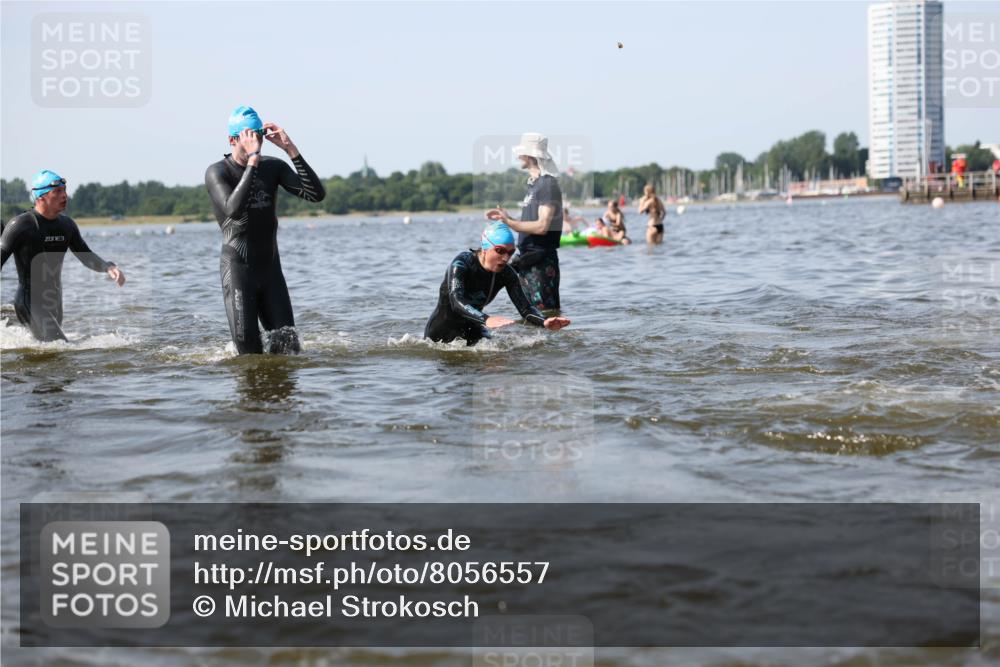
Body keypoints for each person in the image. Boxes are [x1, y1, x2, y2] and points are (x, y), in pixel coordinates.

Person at [205, 105, 326, 354]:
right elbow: (233, 209)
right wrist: (252, 161)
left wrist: (290, 150)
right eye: (248, 138)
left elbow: (316, 195)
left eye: (258, 137)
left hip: (271, 271)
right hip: (239, 273)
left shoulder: (273, 168)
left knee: (289, 351)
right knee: (249, 356)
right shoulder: (218, 172)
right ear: (232, 140)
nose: (255, 144)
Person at [0, 169, 125, 342]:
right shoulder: (20, 225)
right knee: (61, 346)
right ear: (40, 196)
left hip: (54, 302)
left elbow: (86, 255)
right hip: (29, 301)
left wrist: (108, 266)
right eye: (57, 192)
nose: (64, 196)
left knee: (50, 358)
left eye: (64, 190)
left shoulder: (67, 225)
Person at [424, 222, 570, 346]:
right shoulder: (461, 264)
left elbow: (526, 309)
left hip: (472, 328)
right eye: (500, 251)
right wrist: (486, 319)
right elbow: (456, 302)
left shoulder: (507, 273)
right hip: (440, 333)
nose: (506, 258)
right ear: (485, 248)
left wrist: (544, 322)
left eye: (511, 252)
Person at [486, 133, 564, 312]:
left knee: (545, 315)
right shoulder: (534, 185)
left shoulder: (547, 184)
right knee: (530, 316)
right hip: (527, 260)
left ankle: (551, 342)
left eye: (520, 152)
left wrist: (510, 222)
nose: (517, 156)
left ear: (529, 156)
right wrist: (507, 218)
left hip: (541, 263)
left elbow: (543, 226)